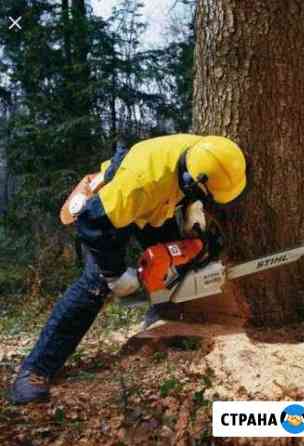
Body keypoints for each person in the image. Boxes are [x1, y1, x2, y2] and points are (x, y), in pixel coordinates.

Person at [9, 134, 247, 405]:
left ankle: (161, 312)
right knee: (94, 285)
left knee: (174, 256)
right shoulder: (135, 188)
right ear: (189, 180)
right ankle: (35, 370)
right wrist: (115, 274)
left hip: (160, 201)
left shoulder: (211, 153)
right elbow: (91, 225)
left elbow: (200, 183)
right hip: (112, 204)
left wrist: (194, 205)